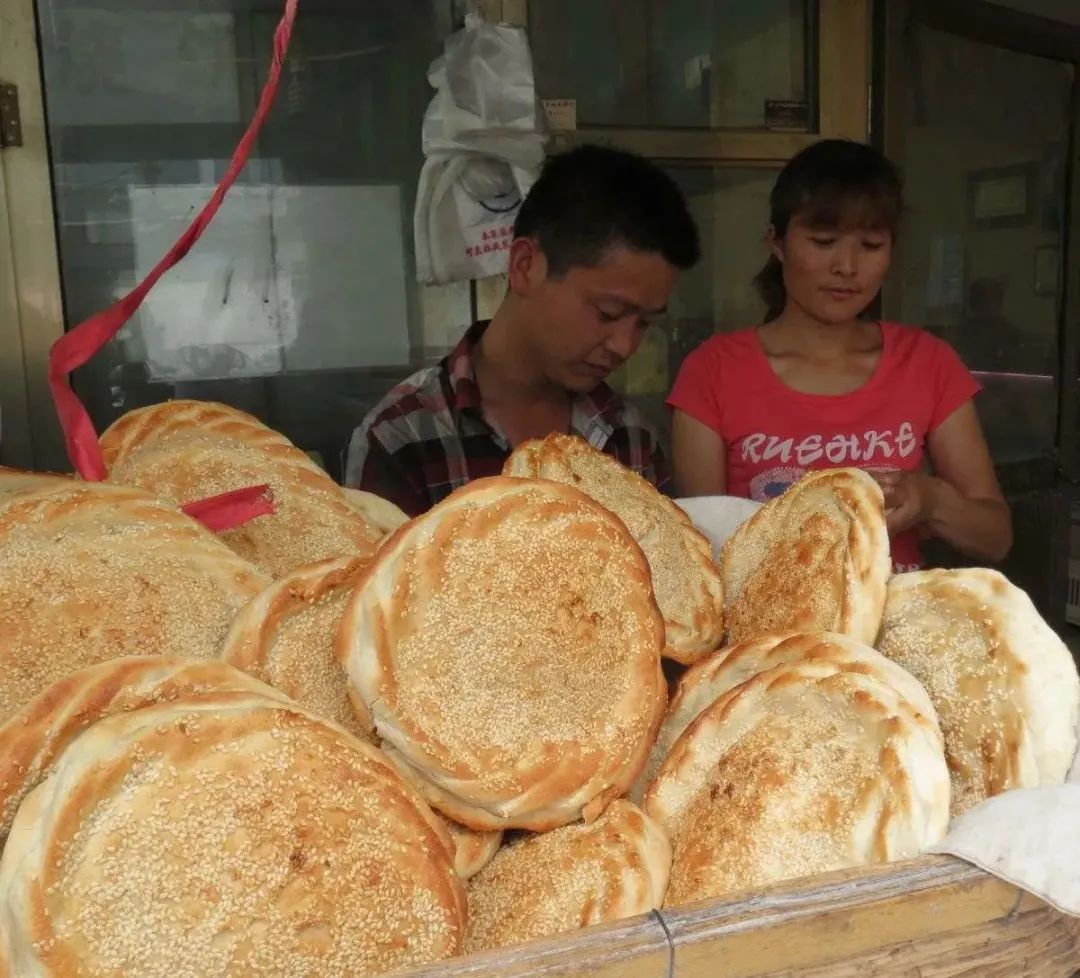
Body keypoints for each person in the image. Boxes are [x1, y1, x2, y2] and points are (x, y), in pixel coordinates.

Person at [667, 139, 1012, 571]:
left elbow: (995, 538)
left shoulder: (928, 363)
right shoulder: (712, 372)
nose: (847, 266)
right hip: (773, 632)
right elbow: (700, 556)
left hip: (895, 626)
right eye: (823, 240)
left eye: (870, 245)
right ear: (777, 243)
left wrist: (930, 500)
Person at [345, 145, 701, 515]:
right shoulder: (404, 439)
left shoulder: (629, 437)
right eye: (607, 312)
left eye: (644, 322)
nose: (625, 346)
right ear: (525, 265)